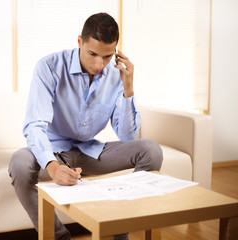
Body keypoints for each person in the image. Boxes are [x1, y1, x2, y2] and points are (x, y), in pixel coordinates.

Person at [9, 12, 163, 240]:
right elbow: (34, 125)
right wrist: (52, 167)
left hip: (91, 152)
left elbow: (128, 136)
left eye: (108, 56)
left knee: (151, 150)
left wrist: (128, 89)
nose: (99, 64)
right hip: (54, 152)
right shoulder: (49, 67)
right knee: (19, 163)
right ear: (80, 41)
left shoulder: (116, 76)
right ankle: (60, 237)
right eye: (92, 54)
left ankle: (117, 229)